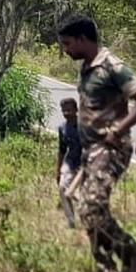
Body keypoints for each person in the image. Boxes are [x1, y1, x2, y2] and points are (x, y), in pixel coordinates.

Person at [57, 15, 136, 272]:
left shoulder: (112, 65)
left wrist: (120, 129)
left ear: (83, 40)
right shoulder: (86, 67)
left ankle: (133, 254)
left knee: (91, 208)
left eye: (67, 44)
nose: (65, 50)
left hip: (110, 147)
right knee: (89, 213)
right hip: (91, 151)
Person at [56, 97, 83, 228]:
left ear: (76, 110)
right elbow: (61, 150)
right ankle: (71, 221)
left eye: (69, 110)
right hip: (70, 161)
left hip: (85, 162)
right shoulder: (62, 128)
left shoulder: (84, 126)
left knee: (81, 192)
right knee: (63, 188)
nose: (66, 113)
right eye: (64, 110)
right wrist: (58, 170)